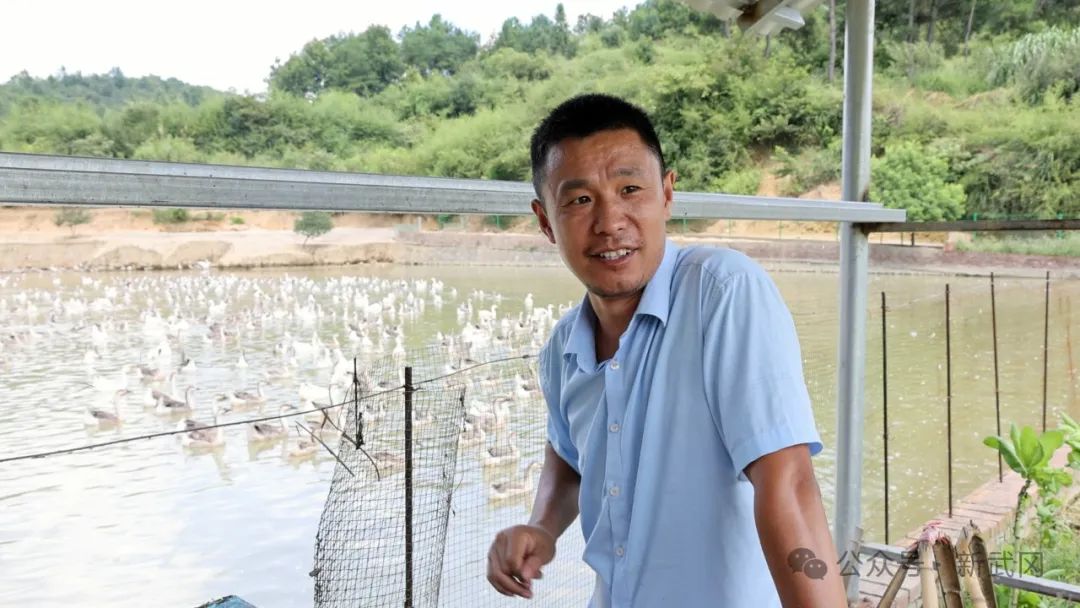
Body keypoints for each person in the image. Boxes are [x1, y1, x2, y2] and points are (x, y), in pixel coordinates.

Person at [485, 93, 848, 607]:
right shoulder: (562, 347)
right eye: (580, 200)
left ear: (667, 194)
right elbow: (568, 456)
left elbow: (787, 484)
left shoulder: (721, 293)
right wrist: (542, 526)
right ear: (546, 221)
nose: (610, 221)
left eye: (630, 189)